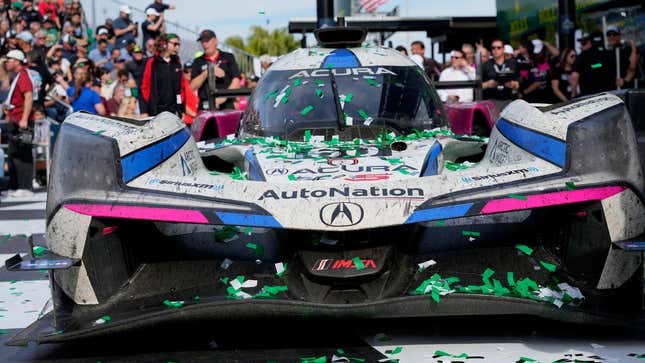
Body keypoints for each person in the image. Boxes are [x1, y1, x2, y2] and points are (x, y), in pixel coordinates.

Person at [2, 50, 34, 196]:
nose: (7, 62)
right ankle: (16, 186)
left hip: (22, 121)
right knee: (14, 154)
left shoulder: (24, 76)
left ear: (17, 61)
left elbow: (28, 98)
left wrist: (24, 119)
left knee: (23, 154)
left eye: (9, 60)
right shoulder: (16, 76)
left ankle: (25, 187)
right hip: (14, 119)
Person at [191, 29, 241, 110]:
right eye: (202, 41)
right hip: (205, 106)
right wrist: (208, 72)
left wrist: (223, 97)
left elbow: (236, 80)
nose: (204, 44)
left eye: (207, 40)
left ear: (216, 41)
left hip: (226, 105)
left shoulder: (228, 57)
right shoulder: (198, 61)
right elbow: (192, 86)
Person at [141, 33, 186, 116]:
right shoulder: (153, 62)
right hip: (156, 111)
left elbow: (181, 87)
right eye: (175, 44)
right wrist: (150, 105)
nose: (177, 47)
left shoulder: (177, 63)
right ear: (164, 44)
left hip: (174, 111)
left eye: (179, 44)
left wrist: (181, 109)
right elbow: (145, 86)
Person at [570, 33, 615, 97]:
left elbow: (574, 76)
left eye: (583, 43)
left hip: (589, 96)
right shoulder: (607, 54)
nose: (580, 46)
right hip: (608, 94)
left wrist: (573, 94)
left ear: (590, 43)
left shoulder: (582, 57)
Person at [481, 39, 519, 104]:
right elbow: (478, 86)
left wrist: (513, 84)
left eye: (498, 48)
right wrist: (488, 84)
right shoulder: (485, 65)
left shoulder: (512, 63)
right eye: (493, 48)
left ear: (503, 49)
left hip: (509, 100)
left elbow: (519, 83)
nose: (495, 50)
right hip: (491, 100)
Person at [521, 39, 558, 103]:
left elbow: (556, 53)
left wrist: (546, 44)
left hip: (548, 97)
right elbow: (524, 80)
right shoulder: (527, 63)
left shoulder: (546, 60)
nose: (538, 54)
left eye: (539, 52)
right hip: (533, 99)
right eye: (536, 53)